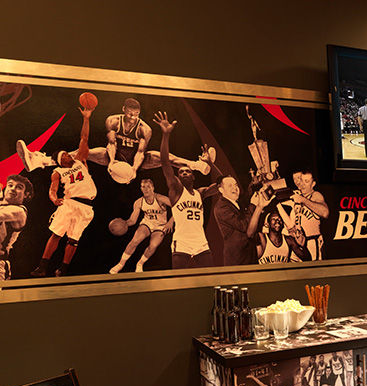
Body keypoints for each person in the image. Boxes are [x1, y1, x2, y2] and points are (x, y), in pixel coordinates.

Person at [16, 98, 212, 184]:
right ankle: (40, 162)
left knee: (163, 157)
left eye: (137, 114)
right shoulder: (112, 120)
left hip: (137, 160)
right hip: (115, 156)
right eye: (130, 113)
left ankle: (197, 166)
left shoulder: (145, 128)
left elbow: (142, 152)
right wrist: (112, 163)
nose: (134, 117)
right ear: (124, 110)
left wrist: (133, 171)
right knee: (85, 152)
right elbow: (111, 144)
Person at [31, 104, 98, 278]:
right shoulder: (58, 172)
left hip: (86, 207)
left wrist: (86, 118)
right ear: (59, 161)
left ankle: (63, 270)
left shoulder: (80, 161)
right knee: (56, 235)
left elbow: (84, 138)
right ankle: (42, 267)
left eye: (67, 153)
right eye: (64, 155)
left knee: (74, 240)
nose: (68, 155)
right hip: (69, 203)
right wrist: (54, 200)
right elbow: (52, 190)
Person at [152, 111, 220, 269]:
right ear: (178, 177)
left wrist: (210, 164)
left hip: (201, 242)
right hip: (181, 242)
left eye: (187, 171)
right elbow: (164, 161)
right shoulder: (175, 190)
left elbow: (223, 184)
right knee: (179, 280)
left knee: (210, 278)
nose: (183, 172)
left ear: (193, 176)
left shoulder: (200, 193)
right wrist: (166, 135)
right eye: (181, 172)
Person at [109, 179, 173, 273]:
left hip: (161, 225)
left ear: (153, 188)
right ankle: (120, 264)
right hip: (147, 223)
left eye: (148, 186)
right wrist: (124, 223)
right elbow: (133, 221)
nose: (146, 189)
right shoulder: (138, 202)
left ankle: (140, 263)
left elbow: (177, 207)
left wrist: (170, 222)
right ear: (141, 189)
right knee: (135, 240)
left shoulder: (160, 198)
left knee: (153, 245)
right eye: (143, 186)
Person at [213, 174, 272, 266]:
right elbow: (244, 225)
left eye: (236, 184)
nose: (235, 188)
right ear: (221, 189)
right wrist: (253, 205)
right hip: (237, 261)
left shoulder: (236, 202)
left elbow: (246, 194)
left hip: (250, 256)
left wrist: (254, 183)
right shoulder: (221, 208)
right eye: (230, 186)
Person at [283, 170, 329, 261]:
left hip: (310, 242)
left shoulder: (315, 195)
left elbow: (325, 213)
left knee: (311, 271)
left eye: (306, 181)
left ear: (313, 184)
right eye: (301, 180)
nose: (302, 184)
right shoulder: (297, 196)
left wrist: (303, 200)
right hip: (296, 242)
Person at [0, 174, 32, 281]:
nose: (13, 189)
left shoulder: (20, 212)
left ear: (26, 195)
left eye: (19, 187)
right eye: (10, 185)